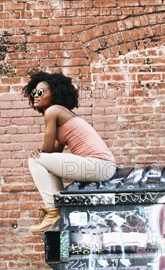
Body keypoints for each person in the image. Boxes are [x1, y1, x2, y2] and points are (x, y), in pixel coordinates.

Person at [23, 71, 116, 232]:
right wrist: (44, 154)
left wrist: (40, 153)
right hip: (102, 167)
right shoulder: (62, 115)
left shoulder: (53, 111)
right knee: (46, 164)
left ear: (55, 93)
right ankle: (60, 206)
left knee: (35, 160)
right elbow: (53, 154)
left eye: (40, 92)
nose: (36, 96)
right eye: (33, 93)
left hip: (98, 166)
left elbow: (47, 150)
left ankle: (52, 211)